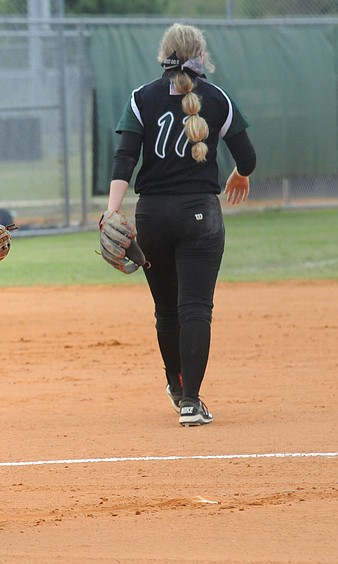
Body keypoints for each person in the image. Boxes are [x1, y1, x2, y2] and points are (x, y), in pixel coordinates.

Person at [104, 23, 256, 426]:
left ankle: (176, 386)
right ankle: (191, 402)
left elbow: (124, 158)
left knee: (166, 311)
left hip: (151, 215)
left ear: (163, 55)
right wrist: (240, 173)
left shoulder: (141, 97)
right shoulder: (218, 99)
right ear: (200, 57)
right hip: (200, 216)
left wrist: (111, 210)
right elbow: (248, 156)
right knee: (195, 310)